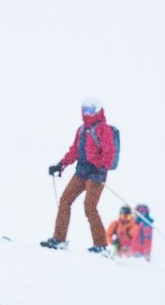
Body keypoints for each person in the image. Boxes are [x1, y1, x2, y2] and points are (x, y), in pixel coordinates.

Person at [41, 97, 116, 253]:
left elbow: (110, 152)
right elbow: (74, 151)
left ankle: (101, 245)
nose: (87, 113)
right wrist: (60, 165)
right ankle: (59, 239)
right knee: (65, 201)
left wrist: (102, 168)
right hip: (81, 172)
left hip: (95, 174)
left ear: (97, 110)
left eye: (91, 110)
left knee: (89, 207)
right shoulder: (82, 130)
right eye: (85, 109)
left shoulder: (103, 128)